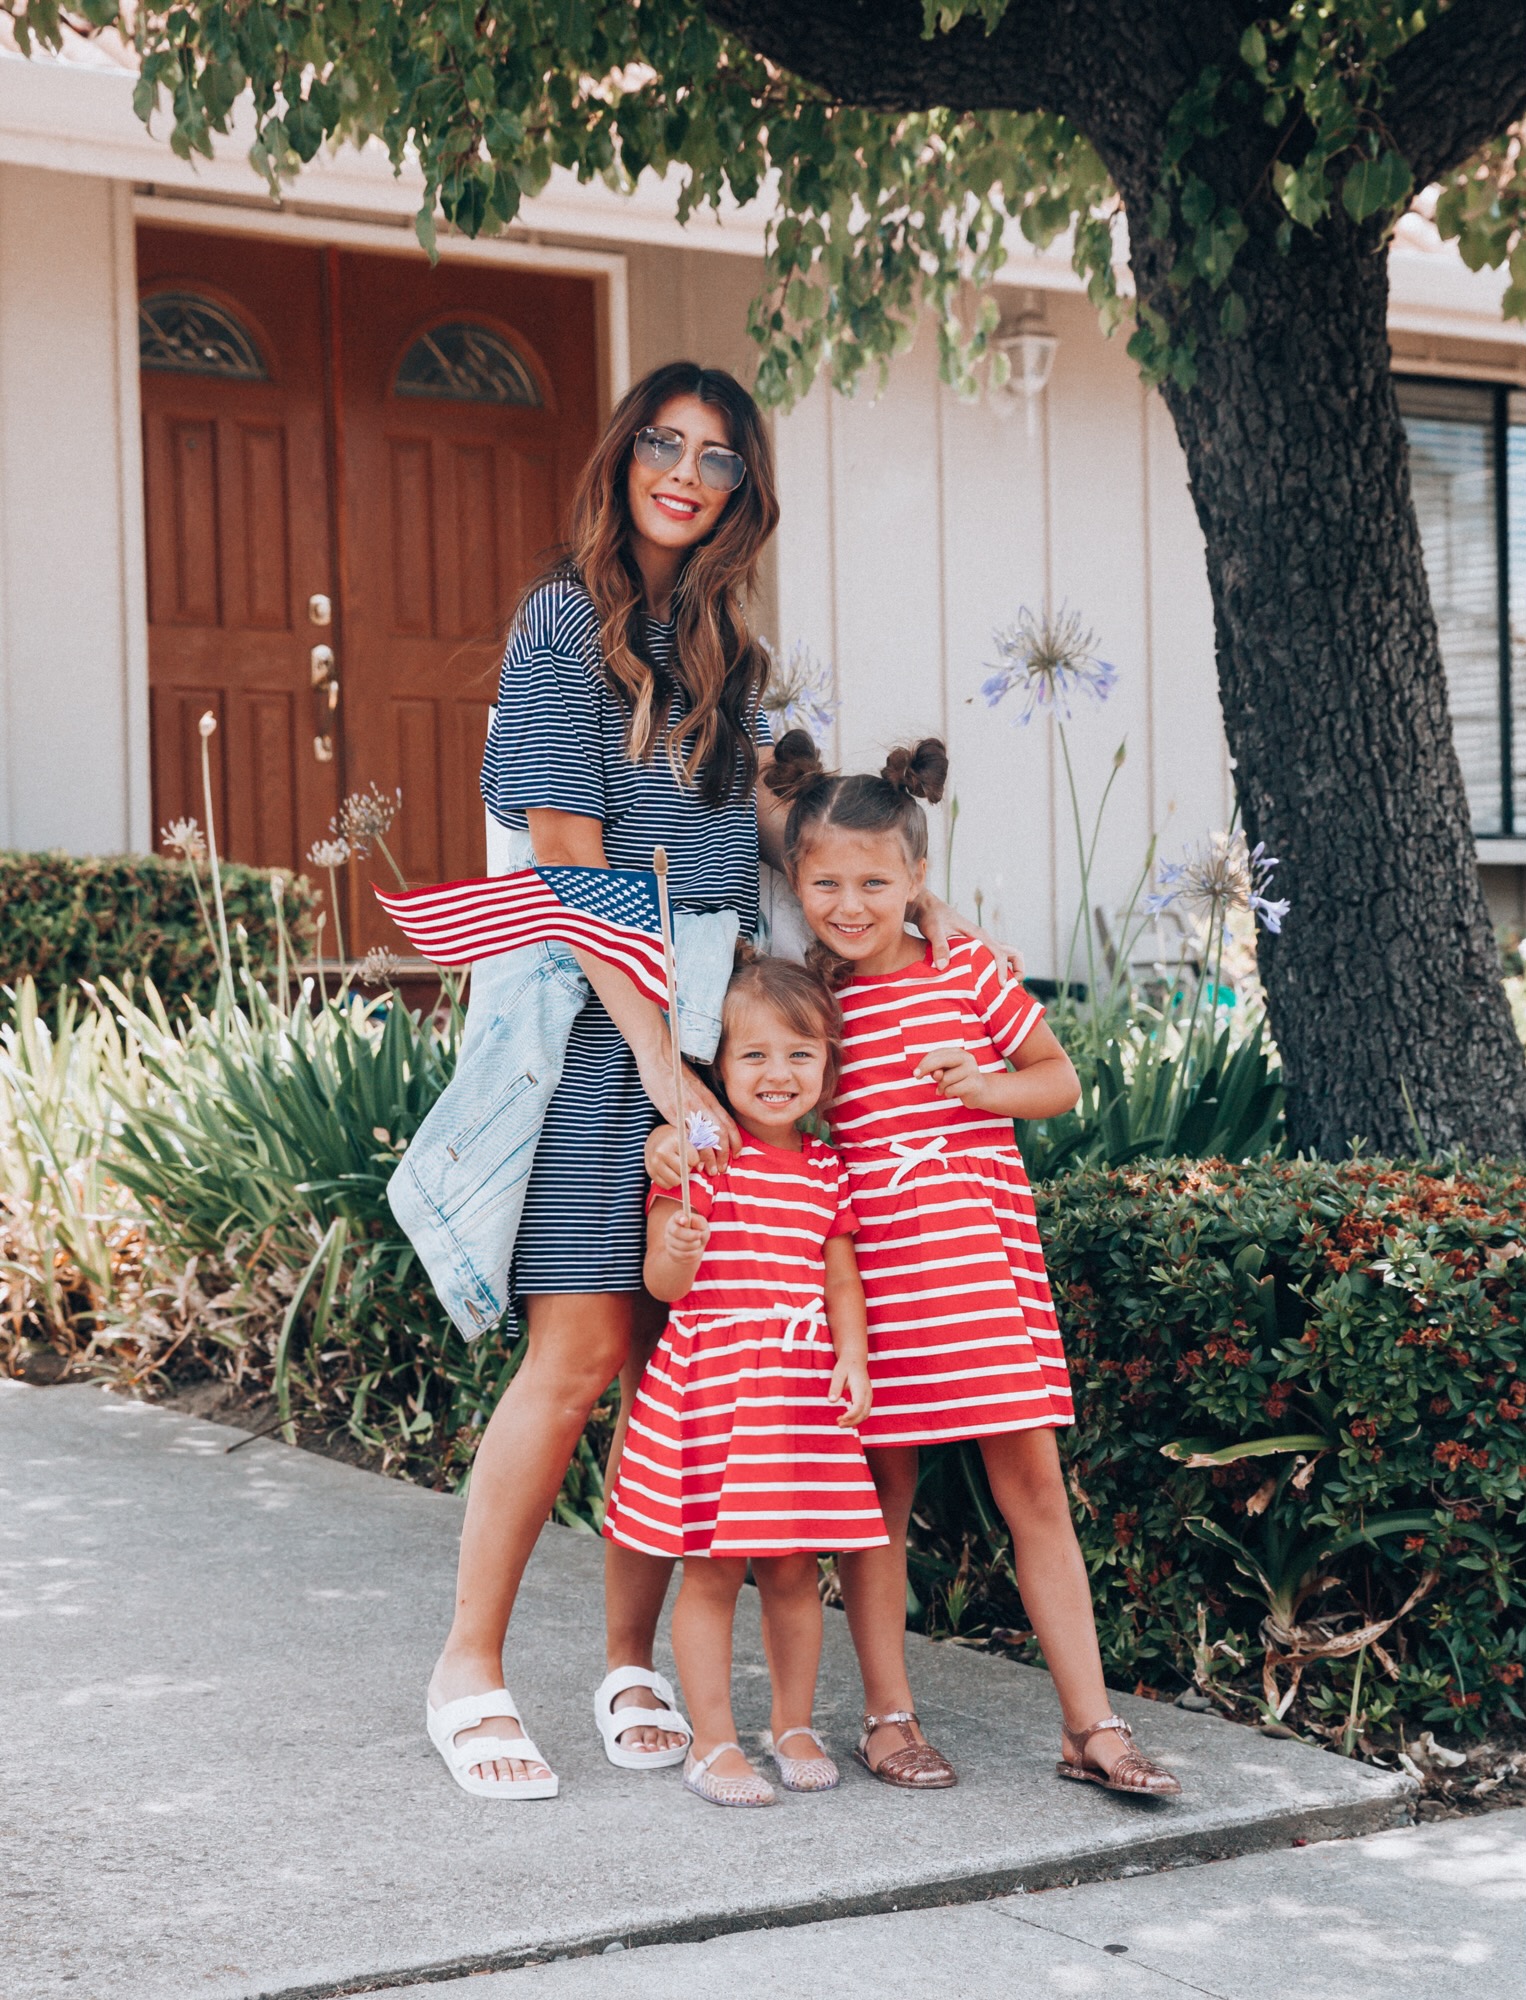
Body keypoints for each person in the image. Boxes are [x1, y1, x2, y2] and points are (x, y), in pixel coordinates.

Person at [425, 363, 990, 1802]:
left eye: (716, 458)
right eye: (662, 446)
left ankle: (629, 1660)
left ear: (743, 491)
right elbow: (564, 871)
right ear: (622, 458)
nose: (683, 472)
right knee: (574, 1361)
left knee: (663, 1359)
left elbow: (746, 842)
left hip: (692, 1026)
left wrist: (879, 894)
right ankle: (468, 1668)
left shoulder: (718, 645)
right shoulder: (563, 621)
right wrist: (665, 1071)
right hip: (594, 1032)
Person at [649, 733, 1183, 1799]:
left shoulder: (963, 968)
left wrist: (982, 1085)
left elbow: (1057, 1080)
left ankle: (1090, 1721)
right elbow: (774, 1122)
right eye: (826, 882)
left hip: (979, 1276)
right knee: (874, 1502)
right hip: (871, 1288)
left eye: (875, 881)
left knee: (1031, 1484)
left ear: (915, 878)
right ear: (792, 882)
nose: (851, 903)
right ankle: (887, 1718)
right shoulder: (807, 1000)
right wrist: (679, 1145)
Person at [604, 954, 883, 1806]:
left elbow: (840, 1279)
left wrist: (854, 1358)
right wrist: (675, 1252)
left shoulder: (829, 1172)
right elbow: (661, 1283)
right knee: (717, 1568)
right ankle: (714, 1742)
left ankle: (791, 1723)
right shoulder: (698, 1156)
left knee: (796, 1568)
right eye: (753, 1055)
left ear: (828, 1065)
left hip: (799, 1388)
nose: (777, 1074)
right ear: (717, 1068)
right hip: (718, 1383)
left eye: (800, 1054)